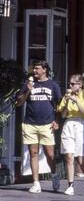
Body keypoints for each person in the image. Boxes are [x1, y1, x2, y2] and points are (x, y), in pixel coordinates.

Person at [16, 59, 62, 194]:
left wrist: (57, 120)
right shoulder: (28, 84)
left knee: (50, 155)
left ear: (44, 69)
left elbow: (59, 104)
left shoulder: (53, 85)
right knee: (33, 153)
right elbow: (19, 103)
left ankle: (54, 175)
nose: (34, 71)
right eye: (33, 69)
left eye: (37, 68)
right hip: (30, 123)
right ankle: (36, 183)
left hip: (47, 124)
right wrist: (27, 92)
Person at [58, 73, 84, 195]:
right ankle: (70, 185)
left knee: (80, 160)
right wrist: (67, 105)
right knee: (69, 156)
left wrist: (76, 100)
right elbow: (62, 115)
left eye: (73, 84)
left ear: (80, 85)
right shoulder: (66, 96)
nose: (70, 85)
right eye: (69, 83)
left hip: (81, 125)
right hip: (69, 124)